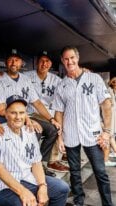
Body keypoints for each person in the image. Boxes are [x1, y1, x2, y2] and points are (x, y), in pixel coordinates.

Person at [53, 45, 113, 206]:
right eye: (66, 59)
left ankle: (108, 203)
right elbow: (59, 112)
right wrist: (59, 137)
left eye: (72, 58)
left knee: (100, 172)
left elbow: (106, 105)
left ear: (77, 58)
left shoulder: (93, 79)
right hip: (70, 133)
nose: (69, 61)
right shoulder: (61, 85)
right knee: (74, 171)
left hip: (92, 134)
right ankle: (79, 200)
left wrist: (107, 132)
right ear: (62, 61)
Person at [0, 95, 70, 206]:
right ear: (6, 113)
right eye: (13, 113)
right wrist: (23, 192)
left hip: (28, 178)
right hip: (4, 186)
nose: (18, 117)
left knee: (62, 188)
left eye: (21, 113)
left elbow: (36, 162)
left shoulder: (29, 132)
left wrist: (42, 186)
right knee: (26, 203)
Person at [0, 49, 61, 176]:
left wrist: (51, 119)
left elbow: (36, 102)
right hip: (11, 117)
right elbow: (2, 108)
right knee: (34, 131)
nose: (14, 62)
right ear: (6, 62)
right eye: (11, 59)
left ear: (21, 63)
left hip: (28, 116)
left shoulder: (25, 79)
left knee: (52, 129)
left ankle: (40, 164)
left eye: (17, 60)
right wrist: (28, 120)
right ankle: (27, 164)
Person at [24, 51, 69, 173]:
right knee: (39, 130)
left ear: (51, 64)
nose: (44, 64)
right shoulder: (26, 76)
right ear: (37, 63)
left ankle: (45, 161)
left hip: (47, 113)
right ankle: (34, 164)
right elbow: (12, 79)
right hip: (30, 113)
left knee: (59, 126)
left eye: (47, 61)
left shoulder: (56, 80)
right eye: (42, 61)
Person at [103, 76, 116, 166]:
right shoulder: (109, 91)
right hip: (109, 116)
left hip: (113, 115)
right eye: (114, 82)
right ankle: (106, 159)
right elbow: (108, 105)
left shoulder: (114, 92)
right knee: (110, 135)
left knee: (112, 135)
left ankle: (111, 152)